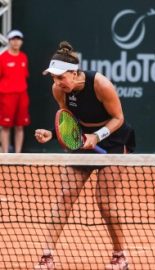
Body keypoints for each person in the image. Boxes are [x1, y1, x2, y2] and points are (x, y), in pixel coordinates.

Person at [34, 41, 135, 270]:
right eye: (53, 78)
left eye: (61, 77)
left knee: (105, 202)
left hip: (112, 140)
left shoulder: (100, 84)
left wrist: (96, 137)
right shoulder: (59, 90)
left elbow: (118, 118)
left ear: (74, 72)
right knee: (66, 195)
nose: (57, 83)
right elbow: (69, 121)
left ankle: (120, 255)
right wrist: (52, 134)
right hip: (82, 140)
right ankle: (47, 255)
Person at [0, 29, 30, 153]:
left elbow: (24, 75)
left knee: (20, 126)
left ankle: (18, 155)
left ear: (21, 41)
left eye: (18, 39)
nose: (16, 42)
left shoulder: (23, 57)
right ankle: (6, 154)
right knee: (5, 126)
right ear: (9, 41)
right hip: (6, 96)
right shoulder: (2, 58)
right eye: (13, 39)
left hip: (22, 95)